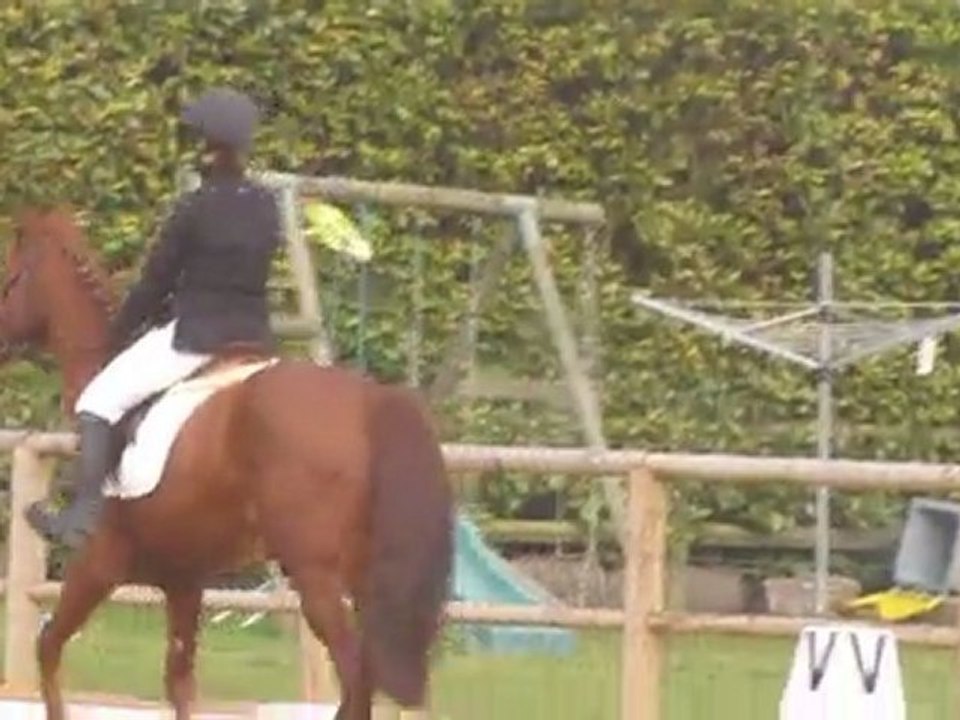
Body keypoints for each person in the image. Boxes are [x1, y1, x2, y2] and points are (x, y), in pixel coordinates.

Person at [26, 87, 284, 548]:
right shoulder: (267, 206)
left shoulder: (194, 207)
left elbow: (155, 282)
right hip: (253, 336)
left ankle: (81, 517)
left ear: (207, 148)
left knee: (98, 400)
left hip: (197, 336)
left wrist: (118, 335)